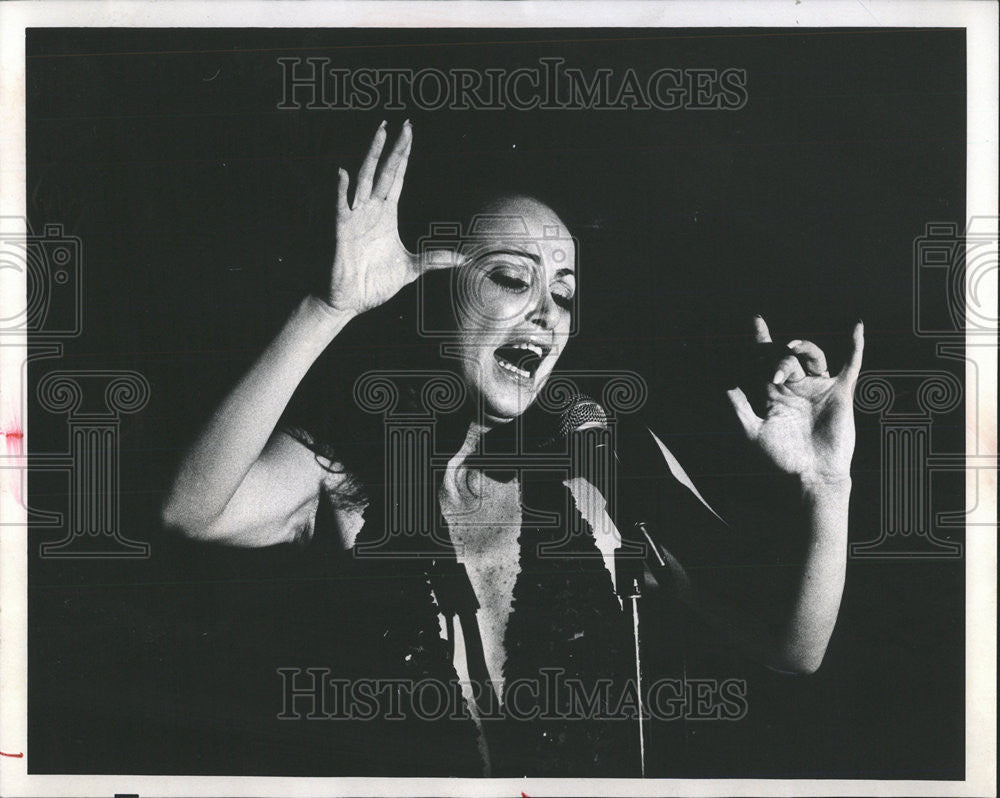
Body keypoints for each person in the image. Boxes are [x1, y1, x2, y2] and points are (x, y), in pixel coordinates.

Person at [161, 120, 864, 776]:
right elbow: (189, 512)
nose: (547, 313)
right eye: (510, 278)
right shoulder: (339, 468)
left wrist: (826, 486)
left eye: (563, 294)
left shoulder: (601, 461)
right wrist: (329, 308)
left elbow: (790, 646)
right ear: (432, 298)